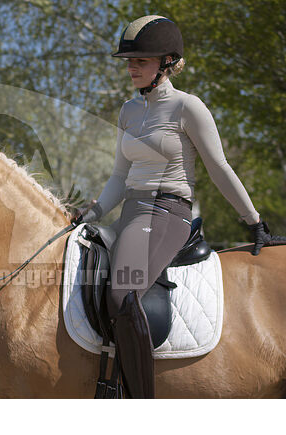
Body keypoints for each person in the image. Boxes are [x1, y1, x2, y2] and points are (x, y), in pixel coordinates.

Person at [74, 15, 279, 398]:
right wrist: (94, 211)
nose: (132, 68)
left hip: (167, 211)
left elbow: (219, 167)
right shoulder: (128, 111)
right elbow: (120, 175)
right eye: (130, 62)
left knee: (123, 293)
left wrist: (253, 221)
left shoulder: (188, 107)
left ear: (167, 62)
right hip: (131, 212)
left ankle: (139, 402)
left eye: (141, 61)